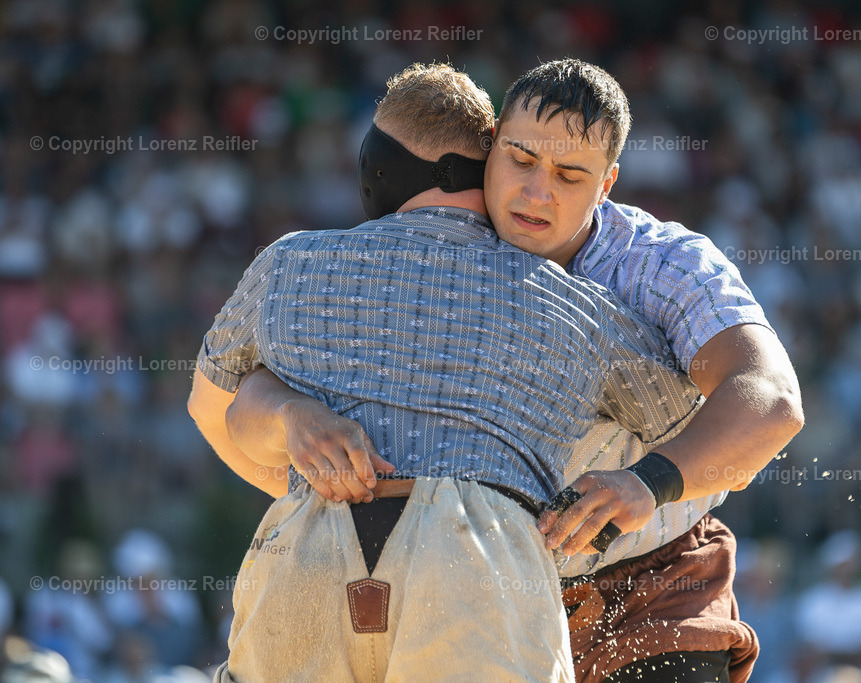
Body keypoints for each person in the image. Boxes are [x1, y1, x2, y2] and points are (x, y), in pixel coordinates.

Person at [221, 60, 804, 682]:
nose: (536, 192)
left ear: (606, 185)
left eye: (569, 175)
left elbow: (771, 400)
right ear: (488, 151)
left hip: (651, 575)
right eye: (520, 161)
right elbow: (248, 387)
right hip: (472, 580)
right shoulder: (431, 248)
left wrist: (648, 482)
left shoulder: (664, 265)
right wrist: (292, 417)